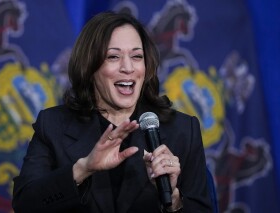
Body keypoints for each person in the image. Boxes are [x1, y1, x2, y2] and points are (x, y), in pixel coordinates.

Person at [12, 11, 213, 213]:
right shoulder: (53, 125)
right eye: (113, 56)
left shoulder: (184, 130)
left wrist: (174, 198)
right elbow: (24, 204)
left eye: (136, 56)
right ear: (89, 66)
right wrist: (83, 169)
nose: (128, 67)